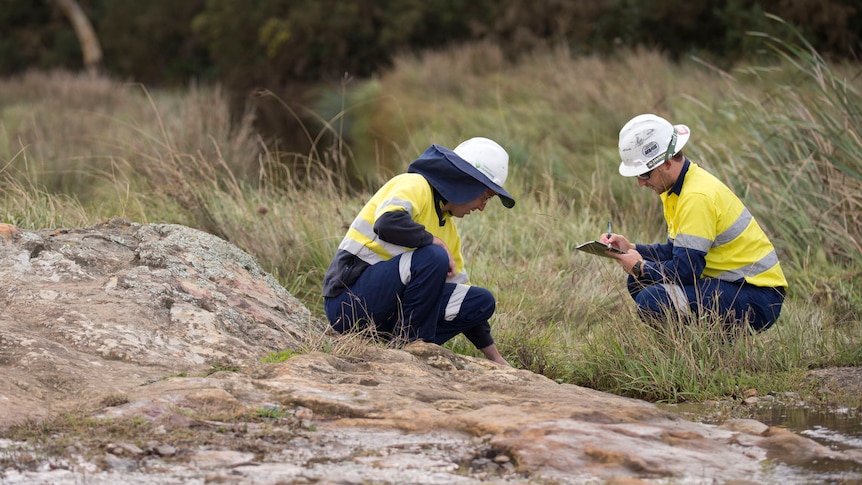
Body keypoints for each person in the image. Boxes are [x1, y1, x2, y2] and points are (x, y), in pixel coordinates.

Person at [322, 137, 515, 365]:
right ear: (467, 182)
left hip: (384, 319)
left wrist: (495, 358)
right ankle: (414, 346)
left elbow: (457, 289)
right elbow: (387, 223)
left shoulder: (449, 229)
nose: (482, 207)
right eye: (485, 196)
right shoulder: (414, 184)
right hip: (348, 305)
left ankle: (407, 345)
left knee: (481, 301)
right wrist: (430, 240)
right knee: (434, 256)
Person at [601, 114, 788, 333]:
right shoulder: (675, 189)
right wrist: (632, 248)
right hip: (734, 286)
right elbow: (676, 252)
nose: (641, 183)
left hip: (758, 296)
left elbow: (686, 271)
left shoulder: (696, 197)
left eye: (644, 174)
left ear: (667, 163)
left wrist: (640, 266)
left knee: (652, 298)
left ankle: (709, 352)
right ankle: (700, 347)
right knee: (639, 283)